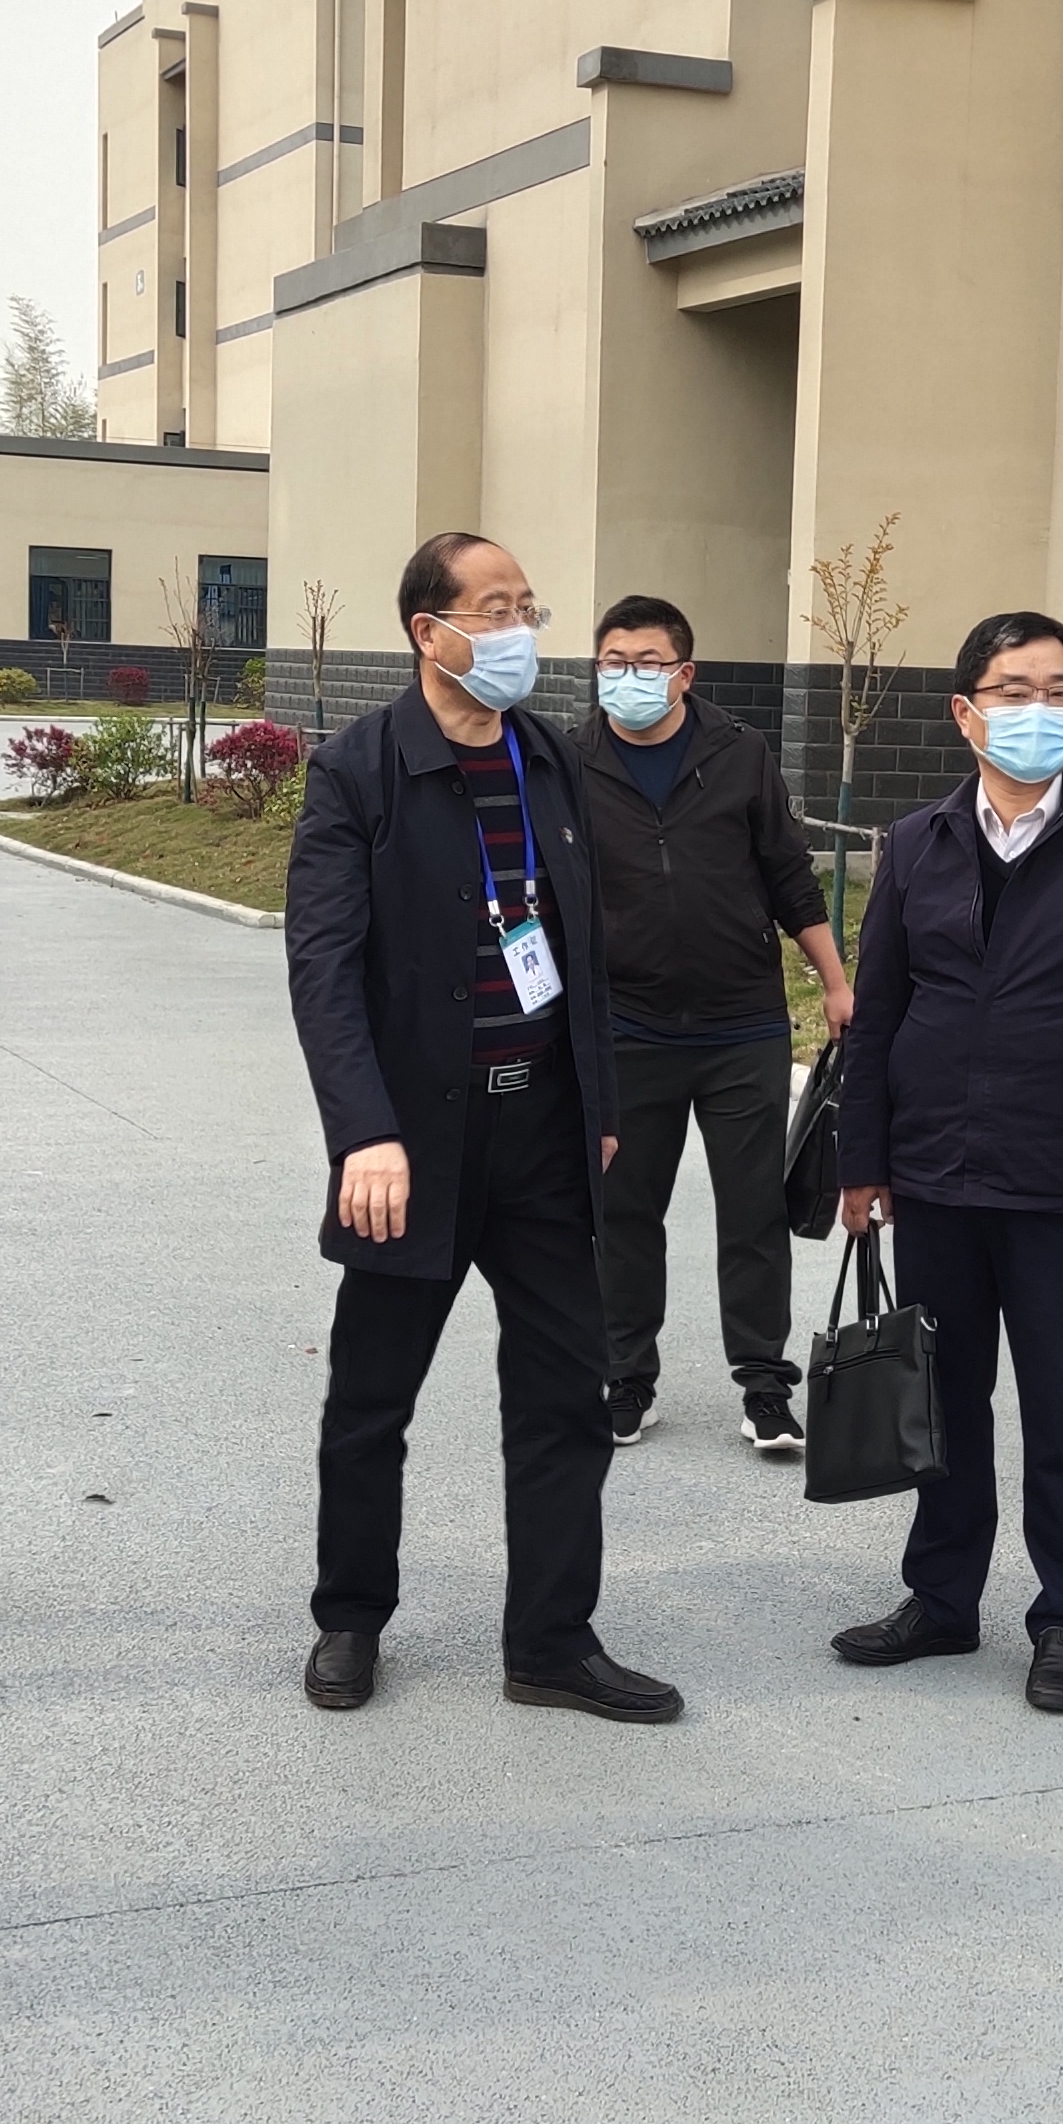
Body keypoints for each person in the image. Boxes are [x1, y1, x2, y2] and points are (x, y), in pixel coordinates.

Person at [282, 532, 684, 1725]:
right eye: (494, 608)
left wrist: (597, 1106)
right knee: (372, 1399)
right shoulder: (358, 770)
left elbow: (579, 944)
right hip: (411, 1145)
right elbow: (323, 966)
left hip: (545, 1135)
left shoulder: (546, 755)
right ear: (429, 631)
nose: (519, 630)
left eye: (526, 606)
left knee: (565, 1394)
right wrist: (363, 1133)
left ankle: (551, 1642)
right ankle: (351, 1617)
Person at [826, 611, 1063, 1715]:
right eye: (1013, 690)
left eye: (1059, 689)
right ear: (966, 711)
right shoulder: (916, 841)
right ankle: (942, 1599)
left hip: (1062, 1170)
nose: (1039, 709)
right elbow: (877, 1012)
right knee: (944, 1397)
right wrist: (862, 1163)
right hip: (934, 1166)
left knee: (1062, 1405)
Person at [572, 595, 854, 1458]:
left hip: (741, 1030)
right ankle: (626, 1381)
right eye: (613, 662)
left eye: (647, 663)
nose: (629, 677)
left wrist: (836, 983)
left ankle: (766, 1390)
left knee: (754, 1215)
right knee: (624, 1214)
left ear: (684, 673)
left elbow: (788, 875)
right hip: (627, 1029)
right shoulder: (570, 760)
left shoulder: (740, 754)